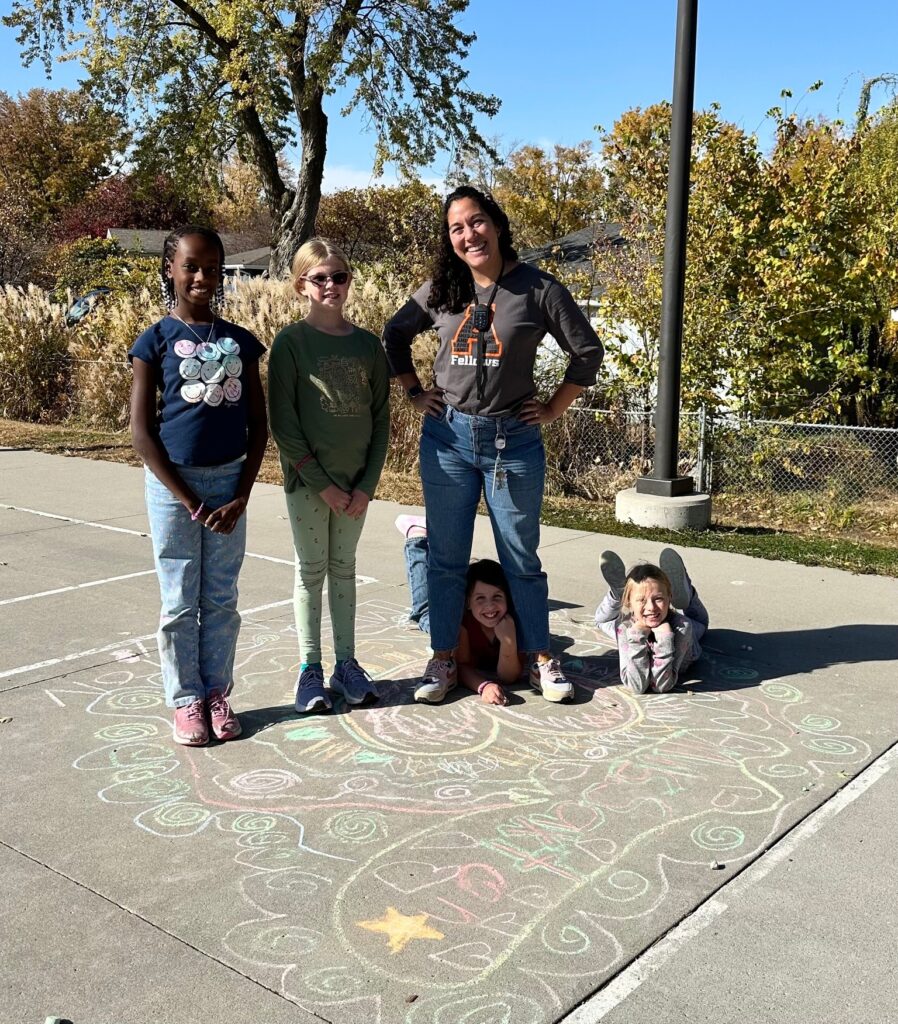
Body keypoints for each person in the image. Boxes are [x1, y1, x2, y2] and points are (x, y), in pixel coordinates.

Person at [383, 185, 603, 705]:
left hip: (514, 441)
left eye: (476, 221)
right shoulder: (441, 287)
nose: (468, 234)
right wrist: (414, 392)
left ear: (497, 224)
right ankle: (441, 657)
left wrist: (552, 408)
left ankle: (539, 658)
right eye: (457, 228)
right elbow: (394, 335)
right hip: (449, 439)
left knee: (521, 556)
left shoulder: (537, 289)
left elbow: (586, 351)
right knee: (446, 558)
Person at [129, 225, 268, 746]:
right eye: (191, 266)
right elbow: (142, 433)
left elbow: (259, 425)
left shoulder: (239, 341)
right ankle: (186, 699)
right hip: (173, 487)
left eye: (212, 267)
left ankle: (216, 692)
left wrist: (242, 495)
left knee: (221, 598)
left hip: (230, 483)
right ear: (171, 268)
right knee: (179, 599)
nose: (202, 277)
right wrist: (187, 499)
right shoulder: (155, 339)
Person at [268, 239, 389, 714]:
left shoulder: (367, 345)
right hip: (310, 487)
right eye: (320, 278)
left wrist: (364, 487)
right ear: (302, 284)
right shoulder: (291, 344)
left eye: (339, 276)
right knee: (311, 570)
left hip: (356, 487)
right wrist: (324, 485)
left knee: (344, 569)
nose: (331, 286)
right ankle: (309, 669)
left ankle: (346, 664)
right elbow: (285, 423)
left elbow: (381, 420)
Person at [396, 516, 525, 705]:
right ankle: (416, 536)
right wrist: (484, 686)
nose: (490, 606)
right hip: (452, 617)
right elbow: (461, 666)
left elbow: (509, 677)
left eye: (497, 597)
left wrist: (508, 641)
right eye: (480, 598)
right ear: (468, 603)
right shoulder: (462, 625)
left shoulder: (512, 623)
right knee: (423, 613)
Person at [594, 547, 710, 694]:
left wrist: (665, 639)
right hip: (637, 623)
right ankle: (618, 595)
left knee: (700, 623)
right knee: (602, 622)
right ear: (629, 604)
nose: (651, 607)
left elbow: (661, 685)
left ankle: (687, 591)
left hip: (687, 637)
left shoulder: (682, 627)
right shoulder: (625, 629)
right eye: (641, 600)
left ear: (670, 598)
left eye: (659, 599)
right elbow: (637, 686)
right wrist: (636, 637)